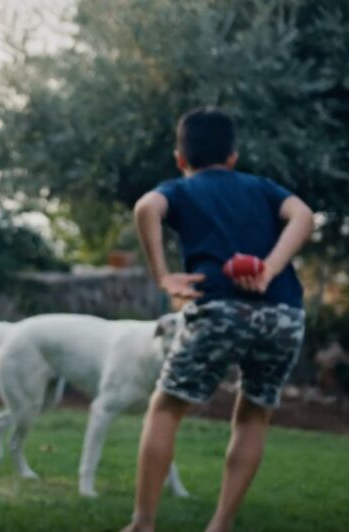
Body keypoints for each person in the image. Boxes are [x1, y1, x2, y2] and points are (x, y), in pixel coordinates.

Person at [122, 107, 314, 532]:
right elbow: (304, 216)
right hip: (284, 314)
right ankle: (220, 525)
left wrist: (162, 276)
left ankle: (143, 524)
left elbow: (145, 206)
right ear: (233, 157)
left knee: (167, 407)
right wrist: (269, 268)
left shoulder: (180, 188)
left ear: (180, 158)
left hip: (219, 309)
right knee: (254, 414)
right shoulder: (262, 187)